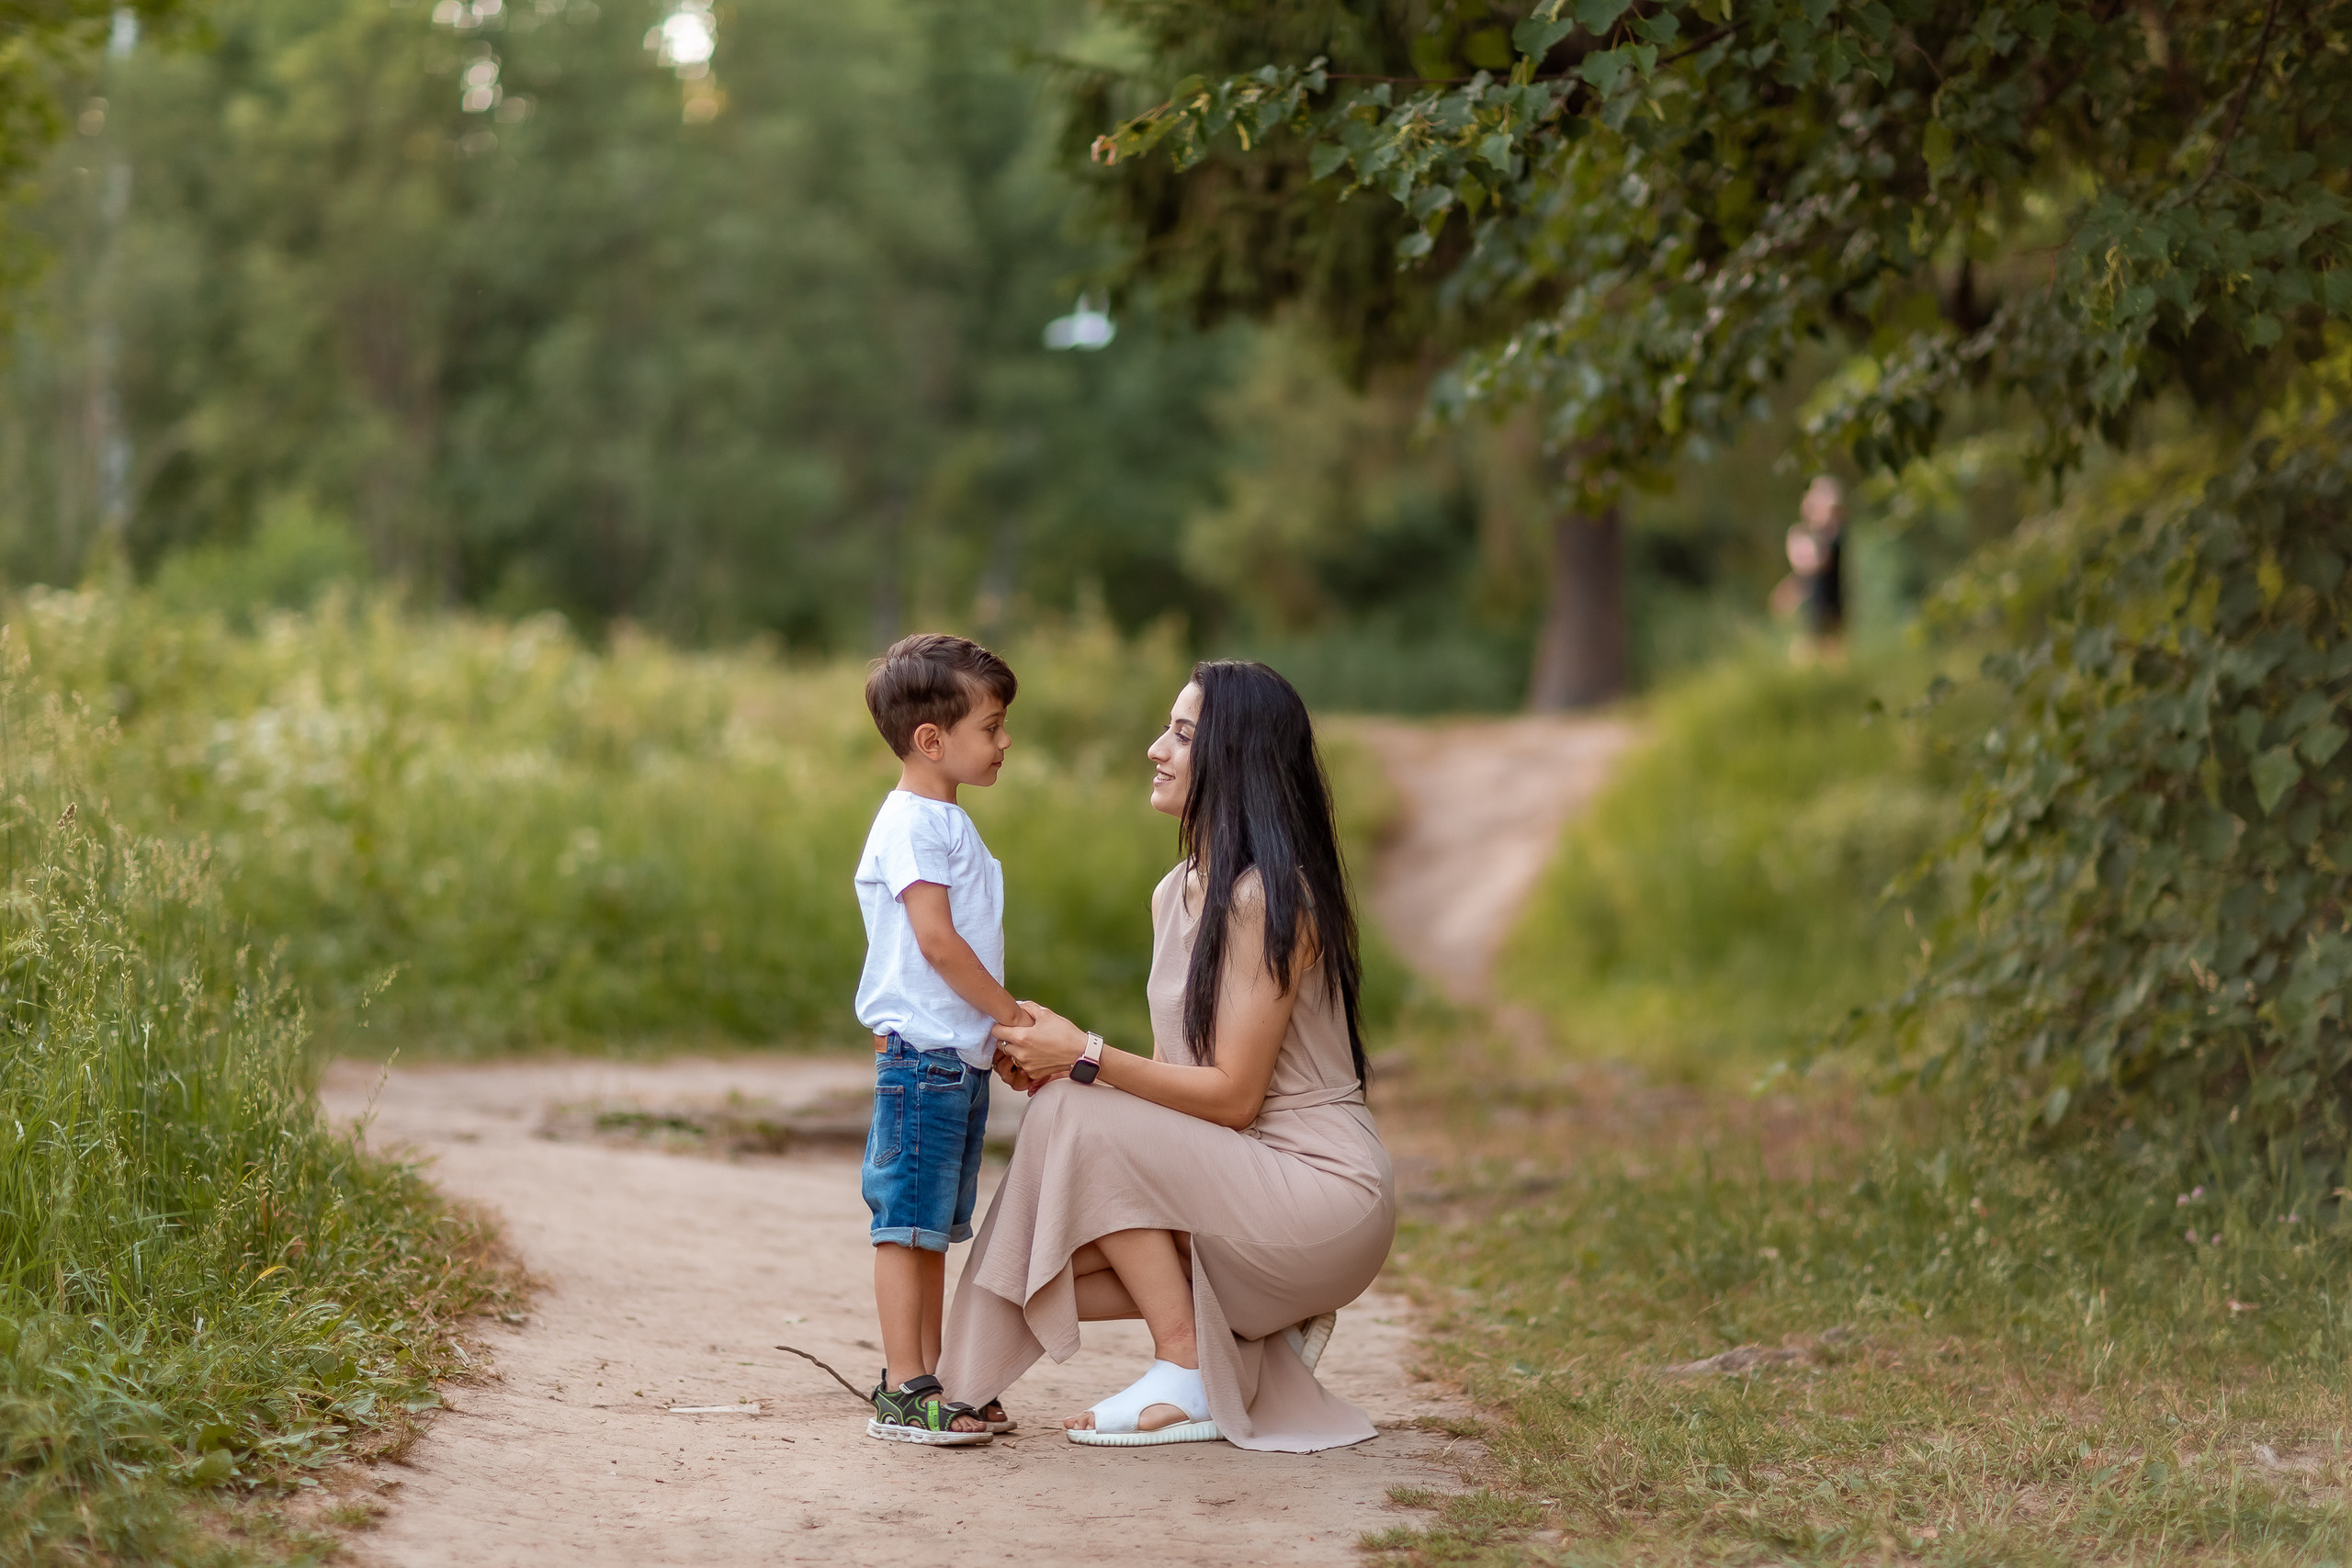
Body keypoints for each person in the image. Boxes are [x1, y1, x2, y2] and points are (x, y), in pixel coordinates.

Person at [940, 660, 1396, 1451]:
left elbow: (1234, 1098)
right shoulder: (1175, 890)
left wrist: (1082, 1057)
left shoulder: (1268, 896)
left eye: (1183, 734)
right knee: (1053, 1239)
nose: (1156, 748)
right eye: (1167, 729)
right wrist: (1053, 1060)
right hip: (1237, 1180)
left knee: (1075, 1106)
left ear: (1236, 757)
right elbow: (1166, 1097)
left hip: (1321, 1193)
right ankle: (955, 1389)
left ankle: (1186, 1362)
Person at [849, 633, 1029, 1446]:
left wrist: (991, 1034)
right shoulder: (914, 823)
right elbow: (938, 941)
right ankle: (905, 1384)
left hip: (953, 1062)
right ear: (931, 739)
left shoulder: (944, 821)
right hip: (922, 1062)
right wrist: (1011, 1016)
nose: (1003, 741)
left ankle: (936, 1378)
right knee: (906, 1227)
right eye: (990, 727)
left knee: (932, 1230)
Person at [1773, 475, 1847, 657]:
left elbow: (1819, 563)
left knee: (1830, 648)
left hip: (1830, 599)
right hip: (1814, 601)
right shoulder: (1806, 534)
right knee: (1811, 646)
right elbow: (1803, 566)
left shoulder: (1832, 535)